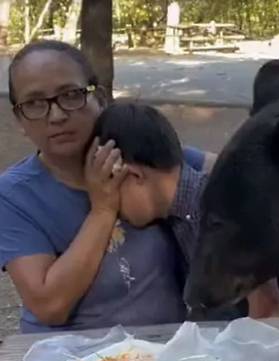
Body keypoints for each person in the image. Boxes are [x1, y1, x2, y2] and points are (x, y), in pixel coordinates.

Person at [0, 40, 213, 333]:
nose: (57, 115)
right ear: (20, 119)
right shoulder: (14, 196)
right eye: (35, 103)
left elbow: (234, 173)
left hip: (165, 354)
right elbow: (49, 306)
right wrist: (102, 209)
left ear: (99, 98)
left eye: (70, 95)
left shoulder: (140, 153)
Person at [93, 102, 279, 319]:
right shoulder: (179, 214)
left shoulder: (224, 210)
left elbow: (268, 306)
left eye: (112, 190)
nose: (114, 207)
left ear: (133, 175)